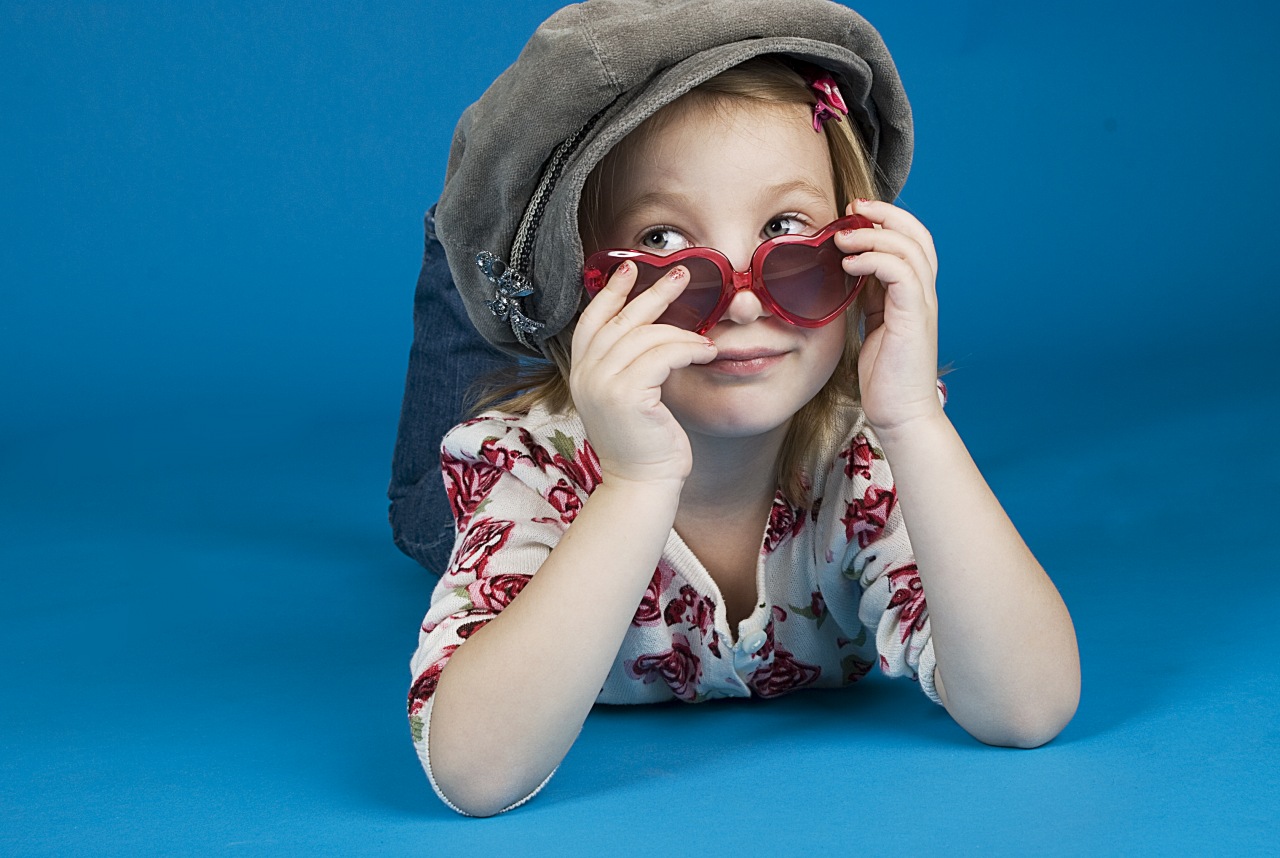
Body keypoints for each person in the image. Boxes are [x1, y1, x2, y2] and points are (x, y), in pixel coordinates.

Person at [393, 0, 1080, 817]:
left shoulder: (865, 463)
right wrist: (636, 482)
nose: (745, 303)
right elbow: (473, 774)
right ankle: (460, 242)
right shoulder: (521, 468)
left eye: (785, 228)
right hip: (548, 460)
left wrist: (913, 420)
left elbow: (1028, 707)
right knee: (429, 497)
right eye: (664, 243)